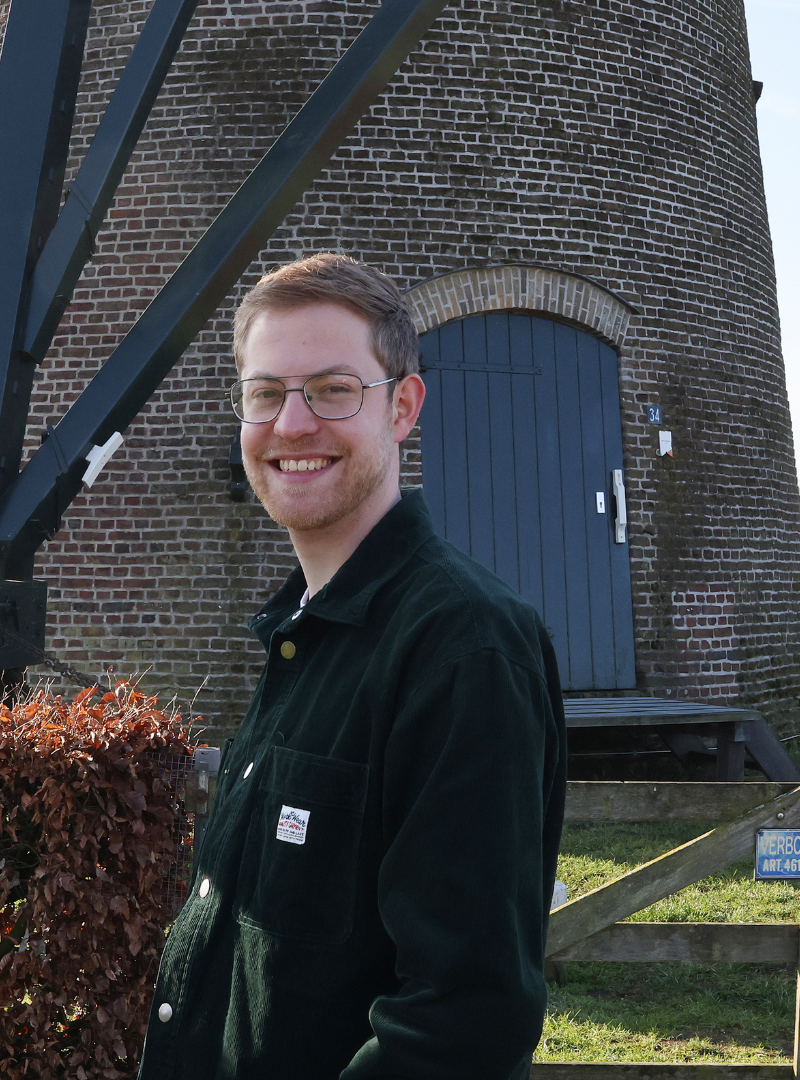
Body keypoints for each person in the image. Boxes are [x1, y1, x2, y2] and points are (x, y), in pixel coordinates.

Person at [136, 252, 567, 1080]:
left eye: (334, 390)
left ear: (402, 407)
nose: (291, 425)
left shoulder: (463, 649)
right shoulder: (305, 630)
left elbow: (461, 1023)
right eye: (266, 393)